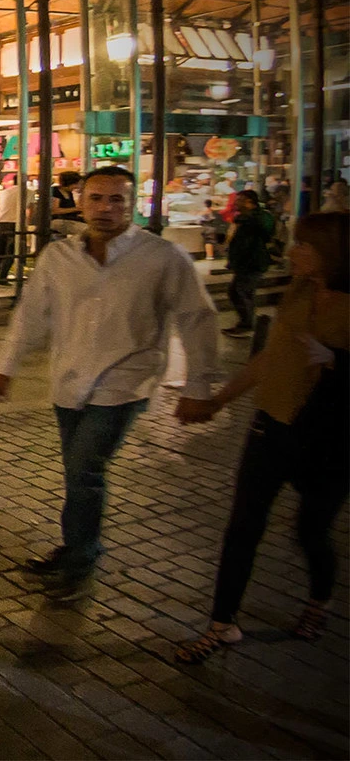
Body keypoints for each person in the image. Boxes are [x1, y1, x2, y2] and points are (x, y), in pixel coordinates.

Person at [0, 165, 220, 603]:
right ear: (80, 201)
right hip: (69, 381)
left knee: (85, 470)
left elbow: (197, 319)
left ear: (133, 205)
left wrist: (198, 387)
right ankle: (76, 544)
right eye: (96, 198)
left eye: (117, 200)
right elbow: (32, 314)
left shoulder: (162, 257)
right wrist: (6, 366)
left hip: (125, 383)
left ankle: (81, 558)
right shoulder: (59, 258)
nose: (105, 209)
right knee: (78, 472)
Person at [174, 212, 348, 663]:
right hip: (271, 426)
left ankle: (319, 600)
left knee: (310, 531)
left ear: (332, 252)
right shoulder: (299, 290)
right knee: (243, 527)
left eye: (303, 246)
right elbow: (269, 358)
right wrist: (218, 400)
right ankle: (222, 623)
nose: (292, 253)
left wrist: (336, 359)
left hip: (331, 440)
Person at [221, 189, 277, 338]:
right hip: (242, 262)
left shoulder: (261, 216)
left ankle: (247, 325)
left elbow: (266, 232)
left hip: (253, 262)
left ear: (250, 202)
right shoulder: (240, 219)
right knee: (237, 292)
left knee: (241, 292)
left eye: (240, 200)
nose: (236, 203)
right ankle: (245, 323)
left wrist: (245, 220)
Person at [0, 175, 22, 285]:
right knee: (11, 252)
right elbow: (29, 211)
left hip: (1, 223)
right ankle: (2, 277)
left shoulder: (3, 192)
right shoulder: (27, 191)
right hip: (15, 224)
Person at [51, 171, 86, 237]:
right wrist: (76, 209)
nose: (78, 186)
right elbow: (54, 210)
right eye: (77, 184)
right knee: (85, 230)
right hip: (57, 221)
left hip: (67, 220)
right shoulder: (55, 191)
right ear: (70, 183)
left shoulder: (69, 193)